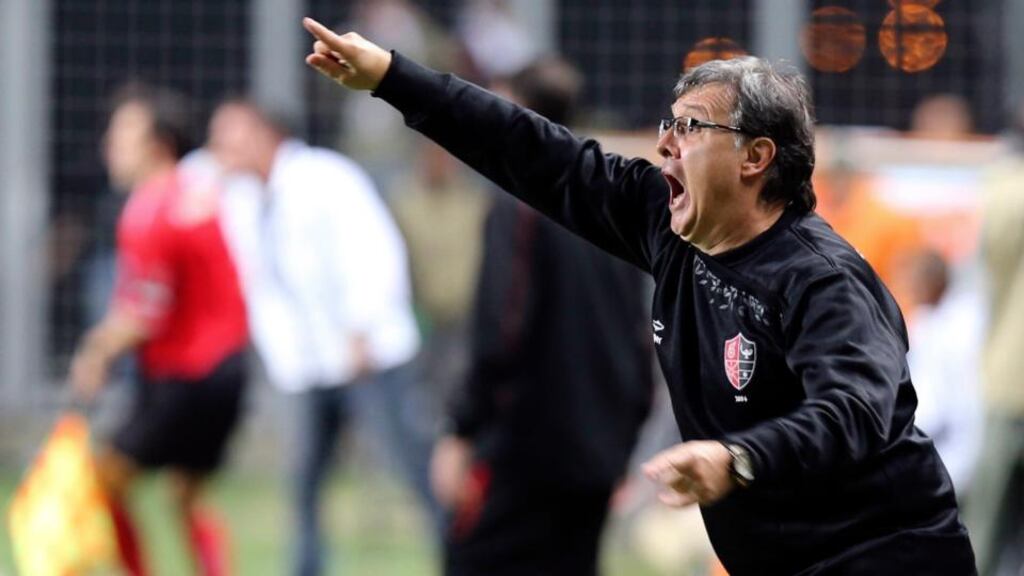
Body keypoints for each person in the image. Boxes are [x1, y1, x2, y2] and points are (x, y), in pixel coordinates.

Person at [301, 18, 977, 575]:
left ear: (755, 157)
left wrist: (739, 457)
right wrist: (392, 78)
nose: (664, 145)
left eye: (690, 129)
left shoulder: (821, 279)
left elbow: (855, 407)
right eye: (668, 124)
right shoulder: (666, 224)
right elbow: (532, 150)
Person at [429, 56, 655, 576]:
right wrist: (625, 433)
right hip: (597, 447)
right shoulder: (611, 195)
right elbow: (640, 331)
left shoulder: (521, 201)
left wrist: (462, 430)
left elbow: (501, 331)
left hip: (525, 450)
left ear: (516, 113)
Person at [205, 100, 433, 576]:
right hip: (308, 365)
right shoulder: (242, 196)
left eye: (230, 137)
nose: (220, 150)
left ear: (266, 134)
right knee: (305, 480)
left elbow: (373, 248)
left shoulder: (324, 177)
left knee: (411, 466)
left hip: (368, 354)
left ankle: (466, 556)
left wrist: (363, 327)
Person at [69, 84, 249, 576]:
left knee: (104, 482)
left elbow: (142, 315)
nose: (110, 142)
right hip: (226, 368)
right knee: (185, 495)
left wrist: (95, 351)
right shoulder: (193, 194)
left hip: (187, 374)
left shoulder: (151, 207)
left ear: (159, 145)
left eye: (123, 132)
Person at [965, 100, 1024, 576]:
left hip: (1008, 380)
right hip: (1010, 383)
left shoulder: (1001, 190)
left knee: (988, 526)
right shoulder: (1008, 191)